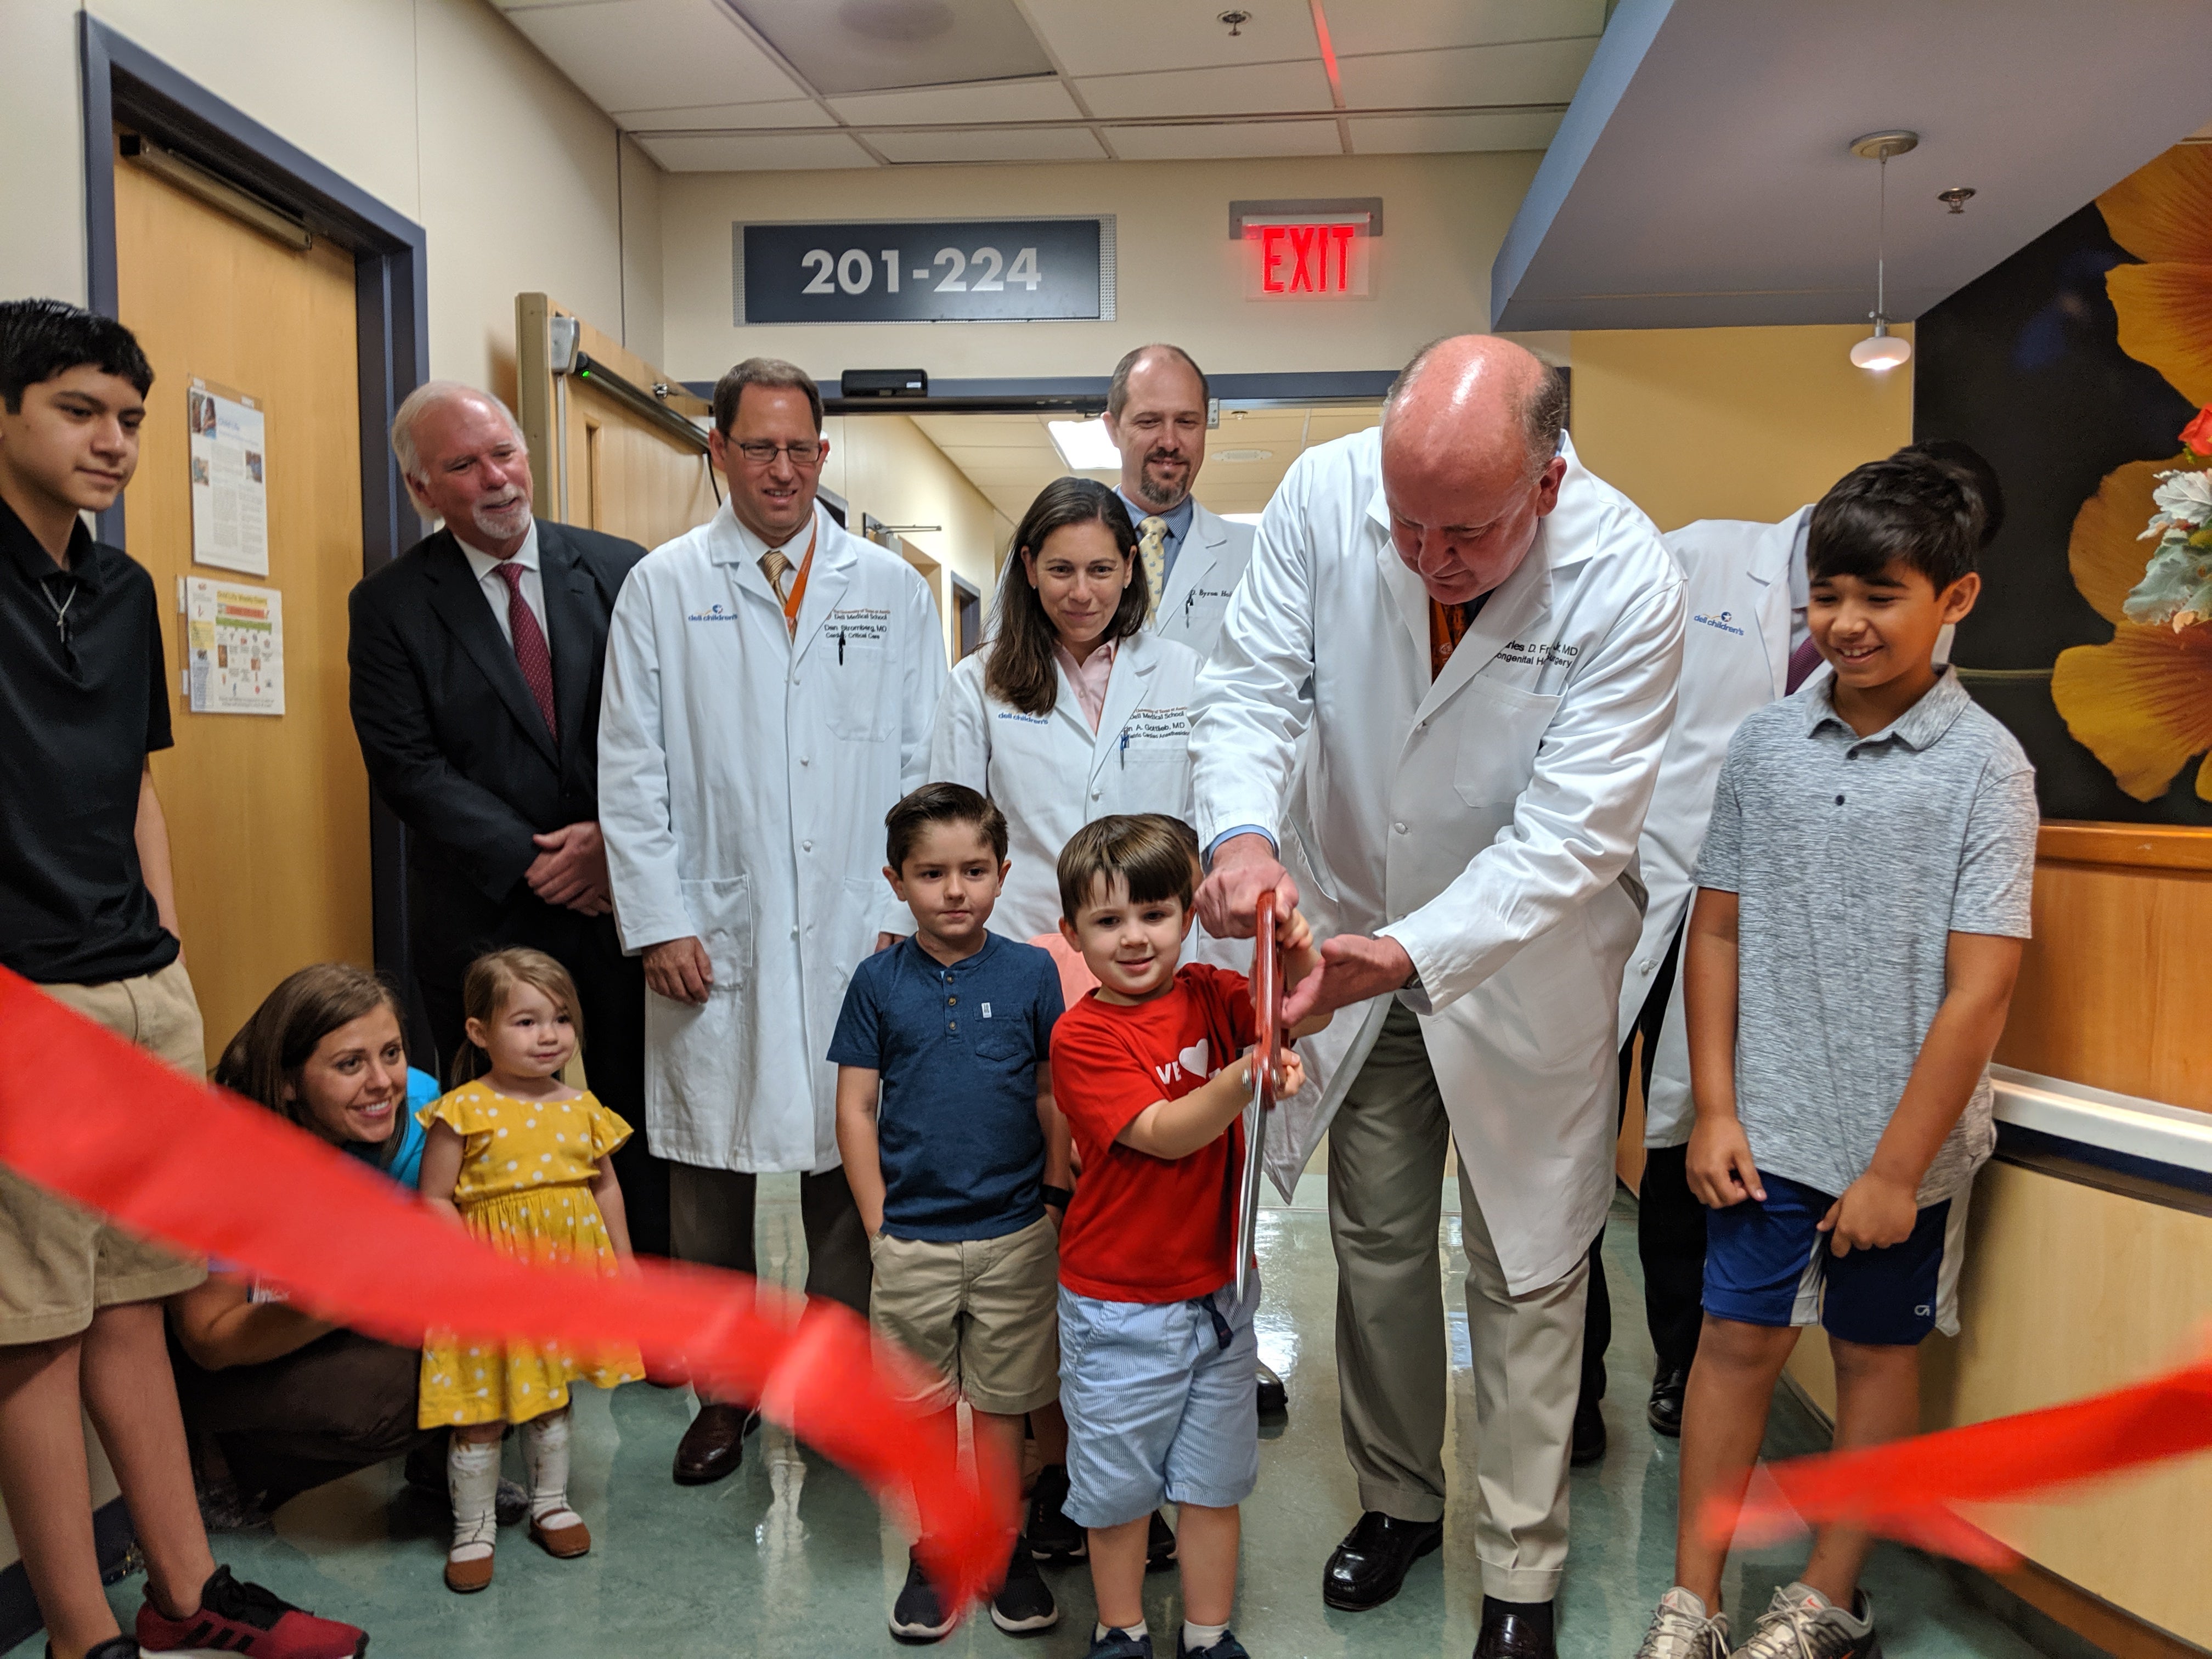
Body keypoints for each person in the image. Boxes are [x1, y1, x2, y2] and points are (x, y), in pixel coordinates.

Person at [1190, 335, 1685, 1659]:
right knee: (1379, 1246)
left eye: (1465, 532)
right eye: (1406, 525)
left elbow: (1573, 838)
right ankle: (1400, 1500)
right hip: (1347, 931)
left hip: (1521, 965)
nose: (1428, 558)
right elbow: (1247, 689)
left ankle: (1523, 1570)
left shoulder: (1626, 572)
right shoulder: (1322, 495)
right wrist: (1238, 834)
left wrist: (1406, 952)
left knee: (1527, 1269)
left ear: (1548, 479)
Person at [0, 297, 368, 1659]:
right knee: (30, 1334)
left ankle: (183, 1592)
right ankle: (81, 1629)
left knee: (135, 1301)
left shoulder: (119, 587)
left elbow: (133, 785)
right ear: (4, 414)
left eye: (133, 420)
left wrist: (169, 955)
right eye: (79, 412)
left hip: (139, 986)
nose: (115, 443)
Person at [1632, 448, 2034, 1659]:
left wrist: (1899, 1171)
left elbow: (1981, 991)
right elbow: (1718, 931)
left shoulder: (1987, 769)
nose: (1847, 624)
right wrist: (1712, 1106)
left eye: (1880, 597)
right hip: (1768, 1128)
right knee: (1733, 1348)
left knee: (1872, 1359)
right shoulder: (1763, 745)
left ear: (1954, 600)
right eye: (1827, 597)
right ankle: (1693, 1598)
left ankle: (1830, 1596)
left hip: (1899, 1156)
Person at [598, 357, 947, 1485]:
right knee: (707, 1174)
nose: (784, 470)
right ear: (719, 451)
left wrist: (913, 916)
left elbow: (922, 761)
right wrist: (658, 919)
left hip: (861, 925)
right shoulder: (662, 586)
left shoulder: (886, 588)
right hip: (715, 925)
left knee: (847, 1167)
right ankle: (723, 1394)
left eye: (802, 449)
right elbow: (632, 767)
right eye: (760, 448)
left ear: (824, 457)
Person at [346, 380, 667, 1260]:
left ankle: (657, 1310)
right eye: (464, 464)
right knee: (491, 1137)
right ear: (422, 489)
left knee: (644, 1118)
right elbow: (407, 767)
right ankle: (509, 1315)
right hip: (484, 917)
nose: (496, 478)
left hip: (623, 902)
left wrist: (613, 841)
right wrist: (538, 860)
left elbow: (681, 728)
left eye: (506, 453)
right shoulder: (390, 608)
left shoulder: (624, 570)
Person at [1048, 815, 1330, 1659]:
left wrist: (1301, 956)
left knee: (1214, 1485)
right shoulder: (1084, 1037)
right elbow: (1166, 1130)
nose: (1135, 938)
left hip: (1219, 1296)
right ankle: (1122, 1630)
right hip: (1119, 1309)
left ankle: (1207, 1637)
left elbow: (1295, 1015)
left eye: (1154, 914)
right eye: (1108, 922)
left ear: (1186, 916)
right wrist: (1247, 1072)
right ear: (1073, 935)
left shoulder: (1211, 990)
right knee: (1121, 1491)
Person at [830, 783, 1069, 1642]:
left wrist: (1050, 1198)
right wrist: (877, 1221)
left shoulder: (1033, 972)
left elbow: (1051, 1090)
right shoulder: (877, 982)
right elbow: (856, 1108)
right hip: (914, 1239)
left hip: (1014, 1235)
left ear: (1003, 874)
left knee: (1004, 1408)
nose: (955, 890)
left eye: (974, 870)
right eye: (932, 873)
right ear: (897, 881)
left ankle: (1002, 1549)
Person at [172, 965, 439, 1523]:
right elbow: (209, 1340)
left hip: (322, 1324)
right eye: (350, 1064)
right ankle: (229, 1463)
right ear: (288, 1081)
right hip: (226, 1360)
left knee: (498, 1349)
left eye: (391, 1053)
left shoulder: (417, 1107)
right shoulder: (225, 1157)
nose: (382, 1082)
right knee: (410, 1395)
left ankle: (447, 1471)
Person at [416, 947, 642, 1593]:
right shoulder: (462, 1110)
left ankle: (550, 1502)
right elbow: (434, 1198)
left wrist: (622, 1261)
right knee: (480, 1410)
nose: (550, 1036)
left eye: (561, 1019)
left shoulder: (582, 1106)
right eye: (526, 1022)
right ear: (479, 1032)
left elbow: (605, 1190)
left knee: (551, 1397)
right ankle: (474, 1527)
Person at [1103, 344, 1257, 662]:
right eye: (1149, 422)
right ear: (1113, 429)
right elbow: (1012, 671)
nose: (1170, 442)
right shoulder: (1052, 547)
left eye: (1187, 422)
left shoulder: (1256, 554)